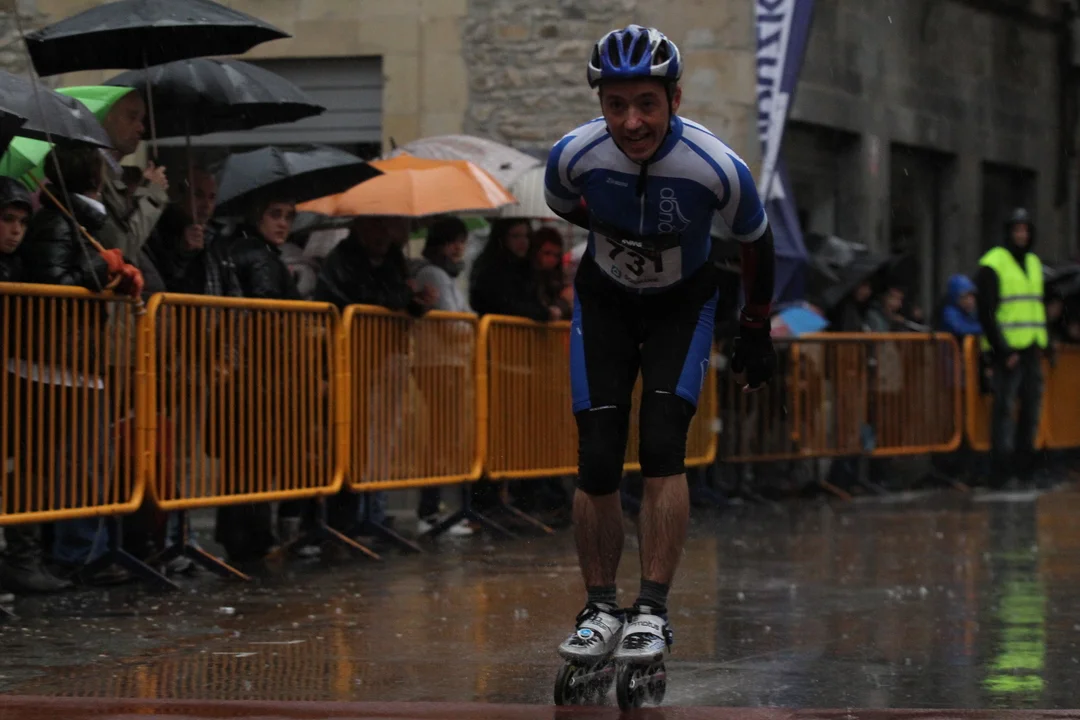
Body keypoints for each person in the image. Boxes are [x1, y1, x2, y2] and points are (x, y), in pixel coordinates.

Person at [544, 25, 775, 670]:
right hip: (606, 302)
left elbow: (757, 241)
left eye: (646, 103)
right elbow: (563, 204)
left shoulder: (715, 165)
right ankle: (599, 609)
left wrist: (755, 326)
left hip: (682, 304)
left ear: (675, 97)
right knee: (597, 455)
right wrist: (619, 233)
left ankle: (651, 611)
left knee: (663, 446)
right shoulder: (573, 155)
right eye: (615, 105)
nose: (632, 122)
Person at [976, 207, 1048, 488]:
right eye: (1017, 230)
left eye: (1026, 230)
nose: (1022, 235)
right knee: (1004, 411)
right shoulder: (993, 263)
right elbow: (987, 312)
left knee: (1030, 410)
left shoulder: (1033, 262)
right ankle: (1001, 471)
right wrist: (1002, 350)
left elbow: (1035, 306)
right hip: (1008, 352)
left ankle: (1024, 469)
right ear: (1008, 232)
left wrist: (1043, 343)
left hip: (1030, 349)